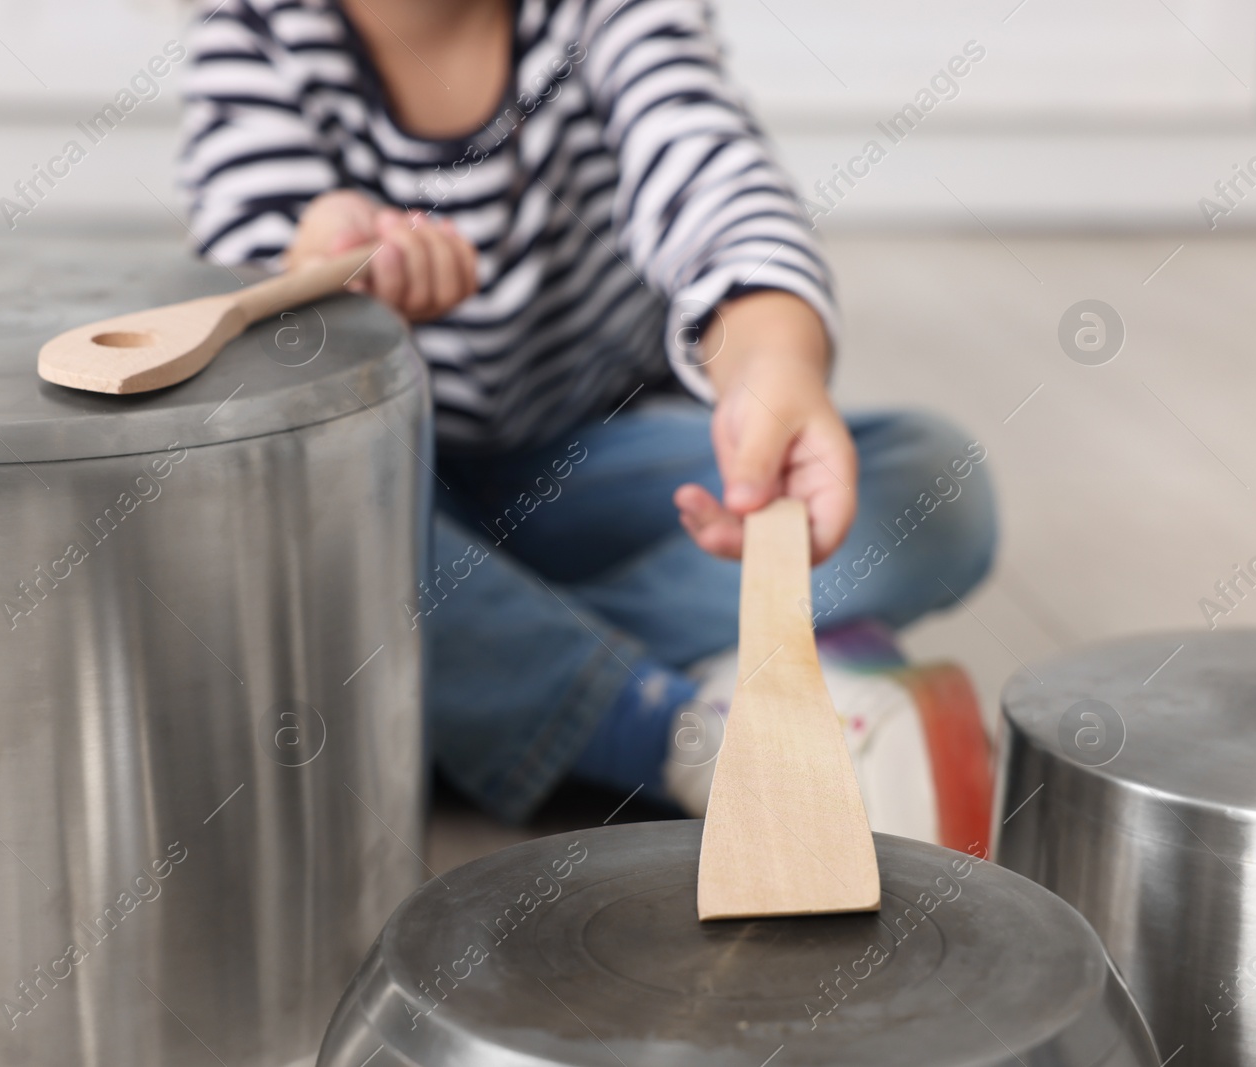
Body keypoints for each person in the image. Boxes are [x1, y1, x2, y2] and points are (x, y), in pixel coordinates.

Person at [180, 0, 996, 824]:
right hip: (397, 494)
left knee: (932, 483)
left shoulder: (608, 15)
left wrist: (773, 359)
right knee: (288, 529)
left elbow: (713, 178)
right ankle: (679, 729)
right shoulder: (253, 34)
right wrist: (316, 271)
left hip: (592, 461)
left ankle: (493, 674)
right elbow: (244, 329)